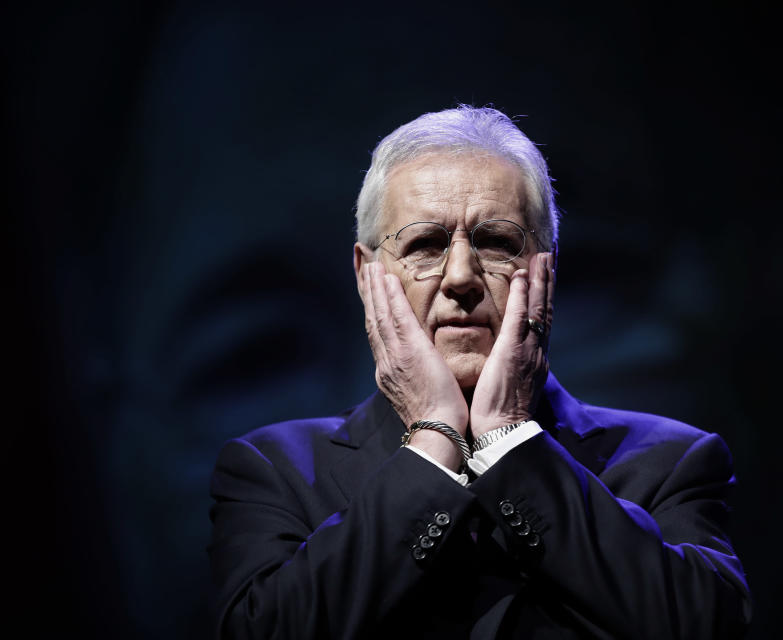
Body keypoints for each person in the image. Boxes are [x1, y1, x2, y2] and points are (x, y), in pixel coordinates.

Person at [208, 105, 752, 639]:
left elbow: (705, 625)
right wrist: (432, 439)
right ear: (367, 275)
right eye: (425, 244)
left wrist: (509, 437)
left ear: (548, 271)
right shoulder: (273, 470)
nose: (462, 277)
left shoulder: (670, 462)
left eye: (496, 242)